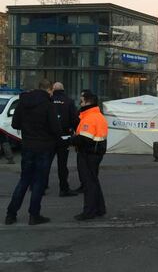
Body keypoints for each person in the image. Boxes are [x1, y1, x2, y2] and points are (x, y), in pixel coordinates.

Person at [5, 79, 61, 225]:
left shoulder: (23, 102)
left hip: (28, 145)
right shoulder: (48, 105)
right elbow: (56, 129)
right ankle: (34, 215)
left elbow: (15, 124)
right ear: (49, 90)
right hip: (44, 147)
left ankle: (11, 214)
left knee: (24, 180)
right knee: (39, 182)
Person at [70, 91, 108, 221]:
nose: (79, 103)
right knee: (93, 182)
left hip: (88, 153)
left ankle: (89, 211)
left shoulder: (90, 117)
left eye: (81, 100)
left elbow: (84, 139)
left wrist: (69, 140)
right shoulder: (96, 115)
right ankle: (99, 208)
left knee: (89, 183)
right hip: (94, 153)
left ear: (87, 102)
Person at [46, 82, 79, 197]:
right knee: (62, 164)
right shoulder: (69, 101)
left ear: (53, 89)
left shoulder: (49, 100)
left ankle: (42, 186)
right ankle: (63, 188)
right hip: (64, 137)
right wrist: (75, 136)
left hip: (49, 137)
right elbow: (75, 119)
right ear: (63, 89)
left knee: (46, 163)